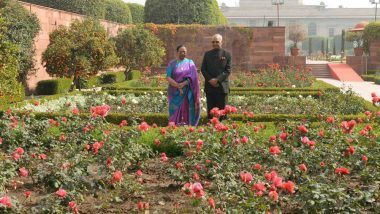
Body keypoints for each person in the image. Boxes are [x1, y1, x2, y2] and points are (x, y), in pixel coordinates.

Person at [166, 45, 201, 126]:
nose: (183, 53)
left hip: (187, 92)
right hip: (174, 92)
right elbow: (168, 77)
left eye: (184, 52)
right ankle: (173, 128)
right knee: (173, 111)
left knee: (187, 111)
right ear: (177, 52)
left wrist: (183, 84)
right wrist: (178, 85)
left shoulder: (190, 63)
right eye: (181, 51)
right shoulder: (172, 64)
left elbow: (194, 77)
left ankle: (189, 128)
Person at [201, 34, 232, 119]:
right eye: (213, 42)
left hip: (222, 87)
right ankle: (211, 129)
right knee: (211, 112)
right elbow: (203, 69)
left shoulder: (227, 54)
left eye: (217, 42)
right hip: (210, 87)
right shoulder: (207, 54)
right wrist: (211, 80)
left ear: (221, 42)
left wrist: (217, 80)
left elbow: (228, 70)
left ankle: (222, 130)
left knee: (222, 113)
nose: (215, 43)